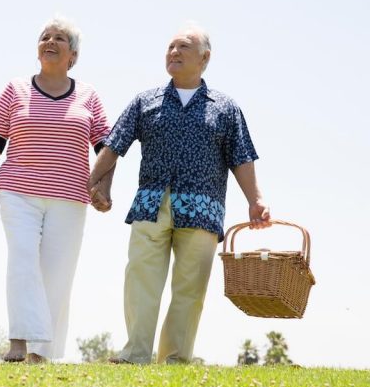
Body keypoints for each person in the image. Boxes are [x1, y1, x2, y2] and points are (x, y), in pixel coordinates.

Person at [88, 24, 271, 364]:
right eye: (170, 46)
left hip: (203, 209)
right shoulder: (145, 101)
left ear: (205, 58)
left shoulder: (225, 107)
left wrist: (255, 200)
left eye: (183, 46)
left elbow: (241, 157)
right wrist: (95, 182)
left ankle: (174, 360)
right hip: (150, 203)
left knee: (190, 289)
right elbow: (114, 146)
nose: (174, 52)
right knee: (141, 279)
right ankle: (135, 354)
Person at [0, 16, 113, 363]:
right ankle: (19, 340)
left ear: (73, 55)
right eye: (44, 37)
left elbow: (107, 146)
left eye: (59, 39)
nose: (50, 41)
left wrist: (103, 188)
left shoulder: (88, 96)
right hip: (18, 191)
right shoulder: (15, 90)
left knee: (57, 273)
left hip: (69, 197)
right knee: (22, 258)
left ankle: (42, 353)